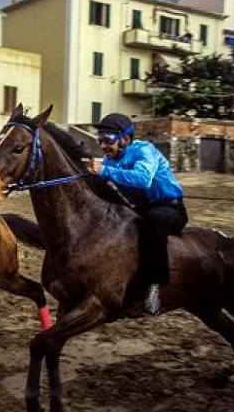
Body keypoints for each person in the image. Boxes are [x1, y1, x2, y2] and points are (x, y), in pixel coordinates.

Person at [85, 113, 187, 316]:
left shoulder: (144, 150)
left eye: (108, 140)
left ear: (125, 138)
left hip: (170, 208)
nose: (103, 145)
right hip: (143, 207)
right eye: (100, 139)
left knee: (151, 221)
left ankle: (154, 288)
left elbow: (143, 179)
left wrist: (104, 171)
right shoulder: (109, 160)